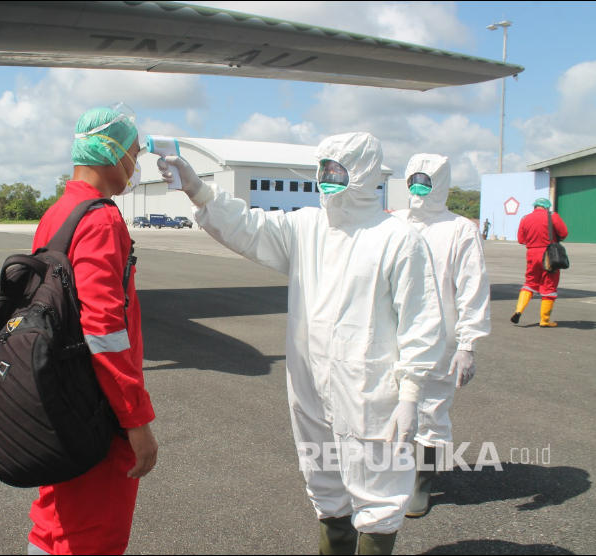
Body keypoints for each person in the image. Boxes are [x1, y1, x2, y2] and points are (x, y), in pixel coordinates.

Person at [158, 132, 446, 554]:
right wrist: (198, 189)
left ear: (363, 172)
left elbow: (421, 323)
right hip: (310, 386)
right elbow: (250, 227)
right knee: (324, 483)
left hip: (371, 392)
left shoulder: (398, 239)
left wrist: (412, 391)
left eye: (337, 169)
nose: (327, 177)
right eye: (324, 168)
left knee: (379, 492)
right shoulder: (307, 226)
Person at [27, 105, 158, 555]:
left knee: (54, 522)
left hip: (57, 396)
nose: (135, 164)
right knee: (92, 536)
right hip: (95, 407)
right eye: (134, 153)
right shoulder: (101, 219)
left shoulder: (59, 213)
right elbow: (104, 330)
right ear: (113, 151)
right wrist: (135, 418)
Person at [392, 154, 491, 517]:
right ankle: (394, 474)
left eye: (426, 181)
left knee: (429, 412)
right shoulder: (394, 222)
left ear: (441, 183)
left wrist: (468, 345)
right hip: (391, 334)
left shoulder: (459, 229)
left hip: (439, 339)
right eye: (413, 181)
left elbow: (472, 288)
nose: (418, 189)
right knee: (389, 403)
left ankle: (422, 482)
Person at [511, 198, 568, 327]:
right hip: (549, 254)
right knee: (549, 285)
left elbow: (521, 239)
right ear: (547, 207)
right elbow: (564, 233)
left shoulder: (525, 218)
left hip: (531, 254)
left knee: (530, 283)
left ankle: (518, 310)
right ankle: (545, 320)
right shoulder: (552, 216)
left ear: (535, 206)